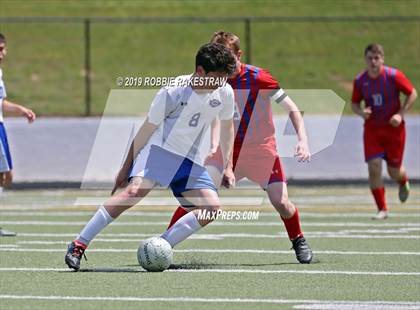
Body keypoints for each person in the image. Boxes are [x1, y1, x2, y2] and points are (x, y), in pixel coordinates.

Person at [65, 43, 237, 270]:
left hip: (188, 160)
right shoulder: (172, 92)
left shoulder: (225, 92)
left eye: (224, 78)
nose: (220, 83)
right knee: (133, 193)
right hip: (159, 152)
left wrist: (228, 166)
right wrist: (125, 167)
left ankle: (160, 246)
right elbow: (146, 130)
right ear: (200, 71)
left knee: (211, 208)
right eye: (216, 77)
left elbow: (227, 128)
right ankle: (79, 244)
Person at [167, 31, 313, 264]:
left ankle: (298, 239)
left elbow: (292, 108)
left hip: (260, 151)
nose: (220, 62)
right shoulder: (217, 79)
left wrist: (303, 140)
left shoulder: (258, 77)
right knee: (196, 198)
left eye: (225, 56)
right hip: (227, 150)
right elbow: (215, 115)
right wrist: (215, 146)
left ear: (238, 54)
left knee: (281, 202)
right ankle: (164, 243)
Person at [351, 43, 417, 220]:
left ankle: (403, 181)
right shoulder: (360, 81)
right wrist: (361, 112)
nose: (373, 62)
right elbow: (354, 103)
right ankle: (382, 209)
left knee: (394, 171)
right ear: (365, 60)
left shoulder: (394, 76)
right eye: (370, 58)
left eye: (376, 58)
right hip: (372, 130)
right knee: (374, 167)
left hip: (394, 130)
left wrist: (400, 114)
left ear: (382, 59)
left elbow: (412, 93)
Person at [0, 33, 36, 237]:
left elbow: (0, 101)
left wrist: (20, 109)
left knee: (7, 176)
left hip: (1, 126)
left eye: (4, 49)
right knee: (3, 175)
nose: (3, 53)